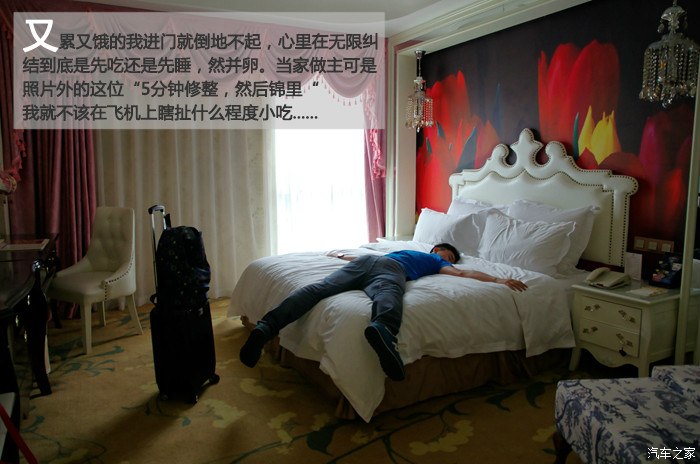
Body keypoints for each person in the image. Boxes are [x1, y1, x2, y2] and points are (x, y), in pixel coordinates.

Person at [239, 243, 527, 381]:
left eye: (450, 259)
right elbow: (462, 274)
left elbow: (364, 259)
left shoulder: (402, 251)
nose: (449, 261)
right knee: (389, 295)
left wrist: (341, 255)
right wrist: (497, 279)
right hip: (391, 269)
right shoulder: (432, 259)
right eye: (448, 255)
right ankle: (384, 330)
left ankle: (266, 327)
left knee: (320, 289)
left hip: (366, 261)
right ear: (437, 249)